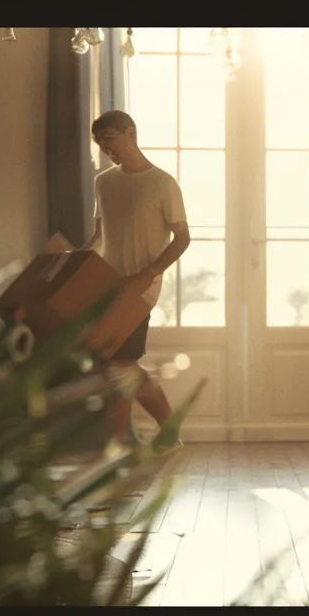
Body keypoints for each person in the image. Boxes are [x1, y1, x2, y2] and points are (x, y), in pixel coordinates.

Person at [83, 110, 188, 455]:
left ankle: (121, 446)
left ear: (130, 134)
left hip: (140, 289)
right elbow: (100, 235)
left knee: (120, 365)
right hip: (104, 286)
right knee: (115, 365)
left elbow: (182, 238)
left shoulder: (163, 183)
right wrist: (73, 263)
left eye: (109, 138)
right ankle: (134, 442)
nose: (104, 147)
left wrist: (149, 272)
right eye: (99, 142)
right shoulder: (104, 183)